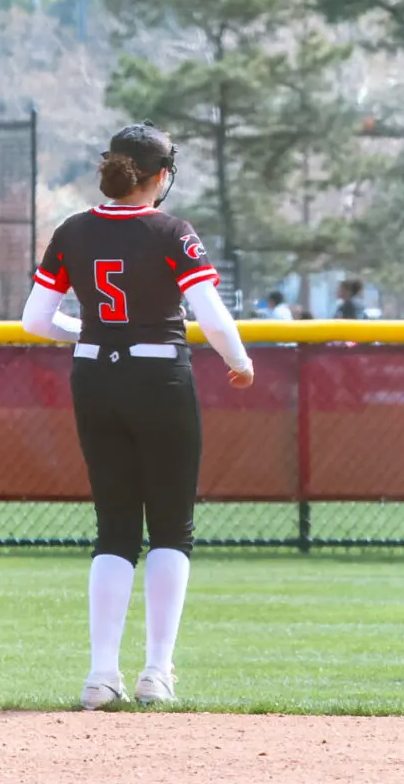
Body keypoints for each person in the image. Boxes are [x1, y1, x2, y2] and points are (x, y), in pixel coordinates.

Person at [21, 122, 255, 710]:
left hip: (94, 376)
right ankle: (156, 672)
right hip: (160, 377)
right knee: (172, 529)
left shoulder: (73, 230)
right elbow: (213, 317)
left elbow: (34, 320)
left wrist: (89, 332)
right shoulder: (172, 231)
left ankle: (100, 676)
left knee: (115, 531)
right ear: (161, 176)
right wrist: (240, 360)